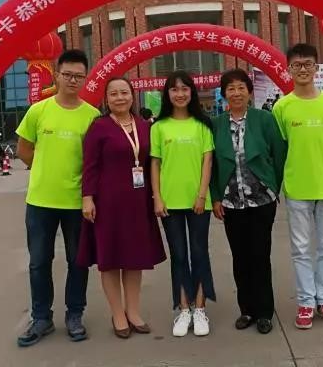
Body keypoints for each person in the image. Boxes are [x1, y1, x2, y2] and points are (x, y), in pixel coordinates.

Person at [15, 49, 100, 347]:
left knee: (78, 261)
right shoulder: (38, 111)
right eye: (67, 75)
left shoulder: (92, 116)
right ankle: (41, 317)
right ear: (56, 75)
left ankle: (75, 314)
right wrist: (44, 170)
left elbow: (94, 161)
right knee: (39, 262)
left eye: (79, 76)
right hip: (40, 201)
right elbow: (23, 149)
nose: (73, 80)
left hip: (78, 203)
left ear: (85, 78)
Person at [78, 78, 166, 339]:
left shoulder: (144, 126)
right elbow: (90, 165)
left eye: (124, 93)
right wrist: (87, 198)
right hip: (107, 203)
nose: (120, 98)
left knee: (134, 258)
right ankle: (118, 314)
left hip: (138, 202)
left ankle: (134, 311)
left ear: (132, 95)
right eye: (114, 94)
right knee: (110, 259)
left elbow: (153, 163)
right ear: (106, 99)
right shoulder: (99, 127)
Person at [272, 43, 323, 330]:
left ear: (317, 68)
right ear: (289, 69)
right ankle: (306, 302)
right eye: (297, 65)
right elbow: (280, 147)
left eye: (307, 64)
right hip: (297, 187)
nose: (302, 69)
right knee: (301, 249)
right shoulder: (282, 107)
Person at [210, 69, 286, 334]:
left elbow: (279, 154)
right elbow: (212, 165)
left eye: (241, 87)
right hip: (231, 203)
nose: (236, 93)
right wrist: (216, 197)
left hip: (261, 201)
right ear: (224, 94)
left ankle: (264, 312)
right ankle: (247, 310)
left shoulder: (264, 119)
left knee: (260, 256)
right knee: (240, 258)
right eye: (231, 88)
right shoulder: (216, 124)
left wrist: (273, 186)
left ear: (250, 92)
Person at [150, 70, 216, 338]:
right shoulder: (159, 127)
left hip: (199, 200)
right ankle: (184, 308)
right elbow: (155, 164)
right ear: (167, 94)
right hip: (169, 201)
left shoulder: (202, 124)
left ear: (192, 92)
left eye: (185, 89)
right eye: (174, 89)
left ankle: (200, 308)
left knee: (199, 252)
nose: (180, 94)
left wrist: (201, 195)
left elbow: (207, 161)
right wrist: (157, 196)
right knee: (178, 255)